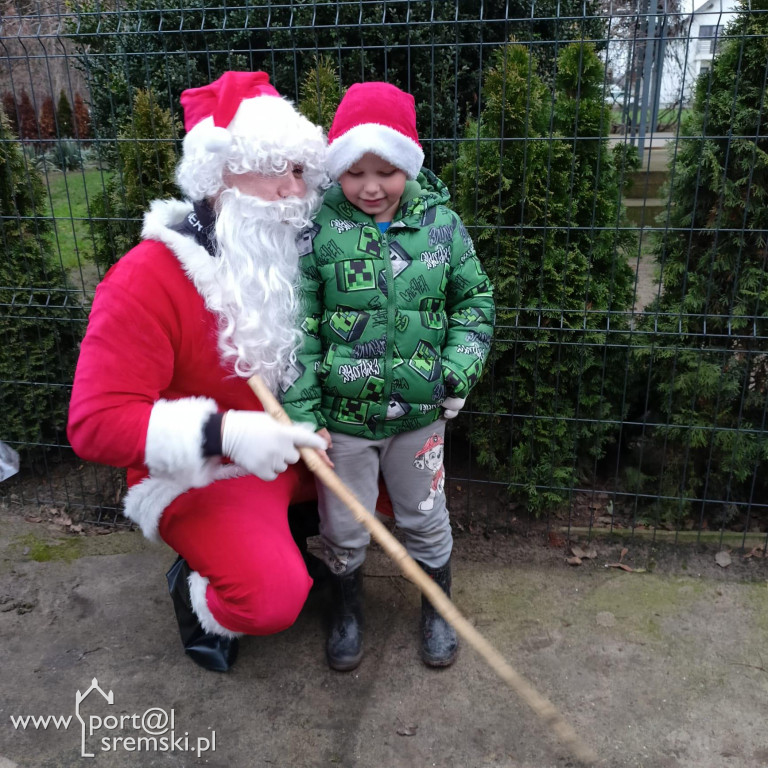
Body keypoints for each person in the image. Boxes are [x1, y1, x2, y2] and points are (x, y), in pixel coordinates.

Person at [67, 71, 330, 673]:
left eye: (300, 171)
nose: (296, 191)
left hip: (295, 444)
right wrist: (227, 434)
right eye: (276, 170)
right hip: (206, 468)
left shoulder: (295, 251)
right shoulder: (145, 278)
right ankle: (198, 597)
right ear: (219, 177)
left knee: (395, 477)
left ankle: (285, 536)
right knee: (272, 599)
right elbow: (94, 423)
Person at [281, 82, 495, 671]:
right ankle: (346, 610)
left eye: (386, 171)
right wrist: (304, 413)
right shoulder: (318, 232)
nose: (370, 187)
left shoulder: (442, 226)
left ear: (408, 165)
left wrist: (456, 372)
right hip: (342, 424)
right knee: (343, 524)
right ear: (337, 169)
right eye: (355, 173)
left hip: (420, 419)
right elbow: (298, 326)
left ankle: (438, 608)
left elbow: (475, 300)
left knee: (424, 515)